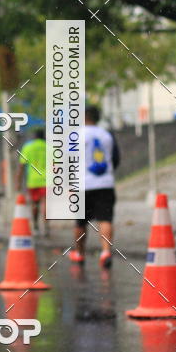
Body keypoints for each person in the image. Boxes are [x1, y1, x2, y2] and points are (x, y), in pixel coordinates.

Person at [69, 106, 120, 268]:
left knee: (80, 222)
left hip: (82, 184)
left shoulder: (76, 135)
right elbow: (115, 159)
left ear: (84, 117)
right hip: (105, 184)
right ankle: (105, 251)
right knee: (105, 218)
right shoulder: (107, 135)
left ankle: (79, 253)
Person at [17, 128, 49, 235]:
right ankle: (46, 227)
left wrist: (18, 182)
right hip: (47, 180)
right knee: (46, 204)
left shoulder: (28, 147)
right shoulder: (50, 147)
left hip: (33, 181)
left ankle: (35, 225)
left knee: (35, 204)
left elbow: (21, 166)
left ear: (35, 137)